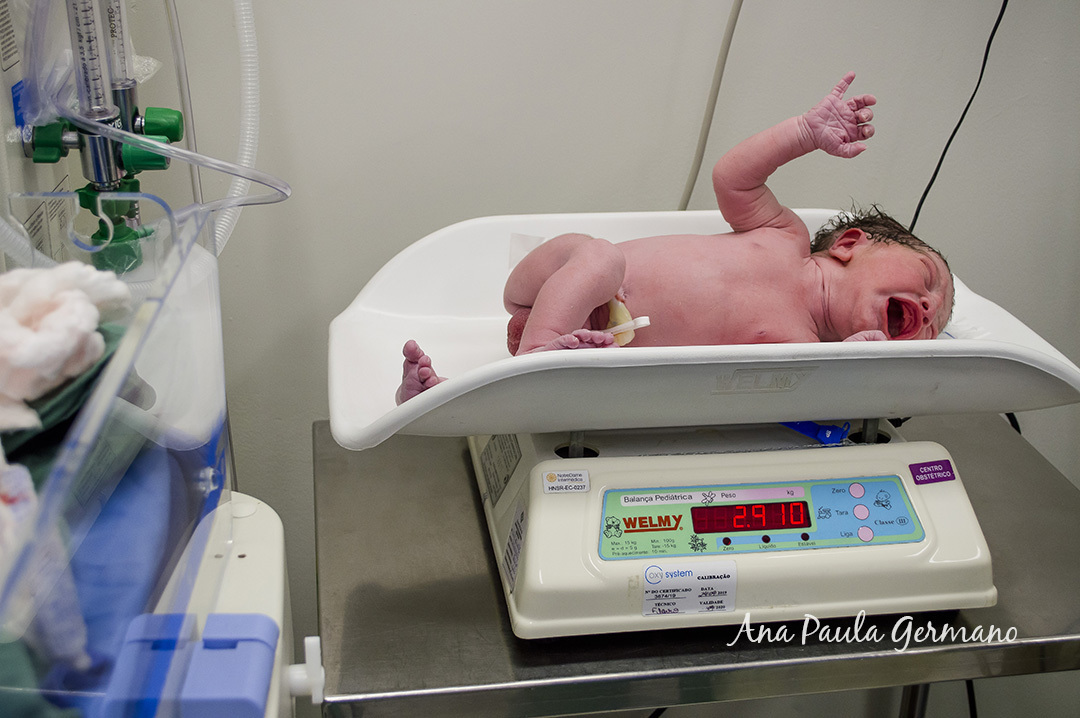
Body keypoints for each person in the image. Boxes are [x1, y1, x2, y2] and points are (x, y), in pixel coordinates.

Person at [396, 72, 954, 404]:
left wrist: (849, 364)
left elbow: (778, 393)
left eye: (938, 323)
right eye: (928, 280)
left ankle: (441, 395)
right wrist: (804, 133)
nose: (930, 309)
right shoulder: (783, 235)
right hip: (558, 284)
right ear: (850, 244)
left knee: (594, 384)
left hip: (595, 354)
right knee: (599, 258)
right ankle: (539, 358)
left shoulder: (803, 351)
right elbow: (733, 177)